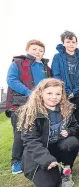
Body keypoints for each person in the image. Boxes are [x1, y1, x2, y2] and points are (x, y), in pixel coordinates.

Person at [18, 78, 79, 187]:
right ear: (41, 93)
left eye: (58, 94)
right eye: (49, 93)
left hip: (58, 148)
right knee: (50, 183)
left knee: (72, 142)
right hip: (39, 154)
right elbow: (30, 141)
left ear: (62, 95)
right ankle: (51, 172)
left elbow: (75, 125)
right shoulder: (32, 112)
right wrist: (46, 159)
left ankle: (66, 170)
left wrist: (69, 131)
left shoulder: (66, 108)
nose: (54, 97)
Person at [5, 39, 51, 174]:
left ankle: (35, 157)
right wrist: (29, 92)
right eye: (34, 49)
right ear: (27, 49)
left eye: (41, 50)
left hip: (40, 104)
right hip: (20, 104)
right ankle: (16, 162)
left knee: (38, 130)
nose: (38, 52)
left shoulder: (45, 67)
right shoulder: (18, 63)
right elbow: (11, 80)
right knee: (20, 133)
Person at [51, 30, 79, 151]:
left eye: (73, 42)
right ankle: (63, 141)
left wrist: (74, 92)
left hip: (77, 94)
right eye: (68, 41)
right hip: (63, 94)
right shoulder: (57, 57)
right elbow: (56, 74)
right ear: (63, 43)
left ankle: (76, 142)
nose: (71, 44)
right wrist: (66, 90)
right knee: (64, 119)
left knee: (77, 120)